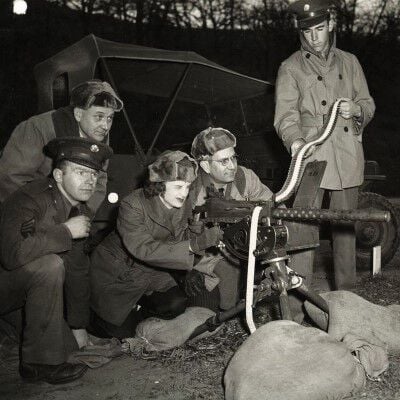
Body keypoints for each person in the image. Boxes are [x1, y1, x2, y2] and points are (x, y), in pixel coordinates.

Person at [274, 0, 375, 289]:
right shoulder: (290, 67)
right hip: (311, 155)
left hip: (346, 154)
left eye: (319, 28)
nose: (314, 37)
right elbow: (285, 117)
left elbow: (368, 102)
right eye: (307, 31)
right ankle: (298, 296)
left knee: (345, 230)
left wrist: (356, 110)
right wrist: (295, 143)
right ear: (300, 31)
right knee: (303, 228)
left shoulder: (350, 61)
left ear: (330, 25)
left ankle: (346, 298)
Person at [0, 137, 113, 384]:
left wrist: (79, 326)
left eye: (94, 174)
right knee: (49, 265)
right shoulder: (30, 198)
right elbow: (10, 255)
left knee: (71, 347)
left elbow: (78, 270)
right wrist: (65, 232)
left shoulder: (79, 211)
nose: (90, 180)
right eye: (81, 172)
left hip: (19, 294)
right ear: (59, 176)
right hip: (5, 284)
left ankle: (12, 328)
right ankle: (38, 365)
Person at [90, 150, 222, 339]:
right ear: (159, 185)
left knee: (177, 304)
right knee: (120, 333)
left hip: (155, 271)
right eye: (178, 186)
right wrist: (193, 246)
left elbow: (178, 238)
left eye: (187, 186)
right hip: (118, 273)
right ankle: (98, 317)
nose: (184, 193)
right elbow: (143, 249)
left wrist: (195, 232)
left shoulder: (183, 204)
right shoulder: (132, 205)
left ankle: (143, 308)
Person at [190, 127, 318, 322]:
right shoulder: (189, 189)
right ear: (206, 166)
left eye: (234, 158)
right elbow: (175, 238)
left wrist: (288, 219)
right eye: (224, 161)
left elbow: (272, 204)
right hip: (206, 260)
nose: (232, 166)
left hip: (243, 251)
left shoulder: (243, 177)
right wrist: (189, 270)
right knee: (206, 312)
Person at [0, 79, 123, 213]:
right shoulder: (39, 128)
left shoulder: (97, 133)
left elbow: (99, 180)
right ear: (78, 114)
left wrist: (83, 214)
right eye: (99, 117)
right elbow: (11, 178)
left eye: (110, 118)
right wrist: (40, 217)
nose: (105, 126)